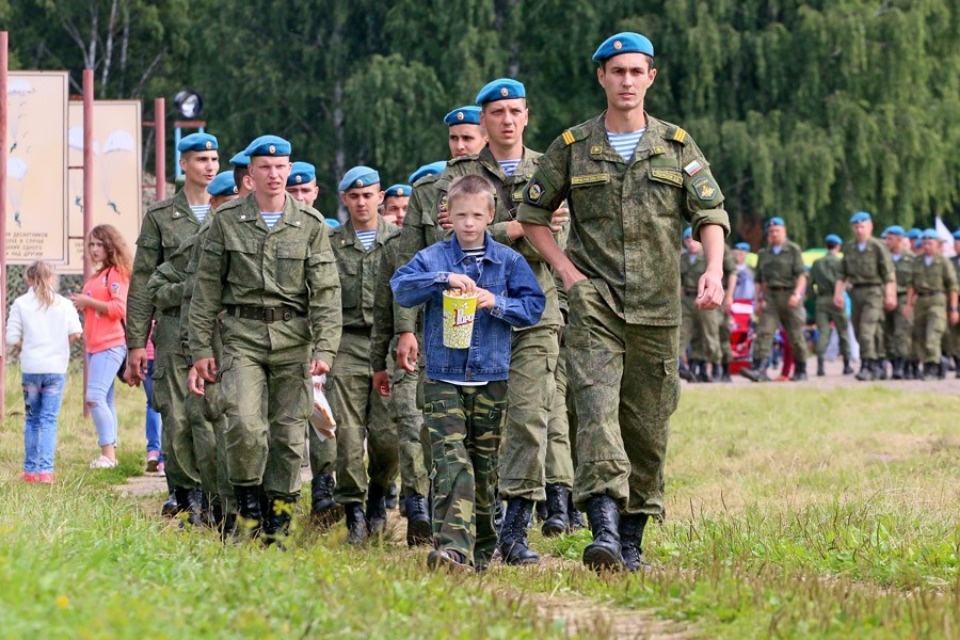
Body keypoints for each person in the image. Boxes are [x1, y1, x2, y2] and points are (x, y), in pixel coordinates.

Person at [518, 32, 729, 571]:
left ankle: (632, 537)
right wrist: (568, 274)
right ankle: (604, 529)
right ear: (602, 78)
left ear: (651, 78)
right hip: (597, 305)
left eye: (637, 72)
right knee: (594, 413)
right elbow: (534, 215)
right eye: (617, 72)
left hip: (659, 308)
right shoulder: (572, 146)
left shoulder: (677, 146)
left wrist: (713, 269)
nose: (627, 81)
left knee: (647, 426)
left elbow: (711, 215)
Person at [189, 135, 342, 545]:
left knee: (290, 435)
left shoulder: (310, 225)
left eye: (280, 168)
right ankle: (248, 514)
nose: (274, 175)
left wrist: (326, 347)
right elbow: (205, 289)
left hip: (295, 341)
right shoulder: (226, 221)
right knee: (243, 424)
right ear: (250, 175)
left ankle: (279, 521)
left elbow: (326, 290)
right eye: (265, 168)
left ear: (288, 170)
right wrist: (200, 349)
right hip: (242, 337)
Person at [391, 174, 545, 571]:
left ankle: (479, 551)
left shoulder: (509, 261)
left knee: (483, 466)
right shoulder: (434, 258)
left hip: (490, 378)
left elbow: (533, 307)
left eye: (477, 215)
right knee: (450, 459)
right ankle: (451, 548)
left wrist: (495, 301)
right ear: (449, 216)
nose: (469, 223)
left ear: (490, 215)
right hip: (443, 376)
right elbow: (401, 287)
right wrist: (442, 280)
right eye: (461, 215)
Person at [126, 132, 219, 518]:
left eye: (214, 159)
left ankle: (214, 491)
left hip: (217, 331)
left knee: (212, 414)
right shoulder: (161, 216)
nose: (209, 166)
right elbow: (143, 278)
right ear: (183, 164)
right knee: (177, 415)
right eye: (201, 159)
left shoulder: (230, 212)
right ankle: (185, 491)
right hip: (171, 329)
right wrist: (135, 342)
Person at [326, 166, 400, 544]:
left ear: (380, 197)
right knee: (348, 435)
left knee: (388, 435)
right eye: (353, 196)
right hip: (347, 343)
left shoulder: (399, 241)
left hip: (387, 345)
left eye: (367, 195)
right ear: (344, 200)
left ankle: (378, 491)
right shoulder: (331, 243)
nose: (361, 202)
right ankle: (353, 510)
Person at [6, 261, 82, 483]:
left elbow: (11, 338)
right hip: (55, 368)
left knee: (32, 419)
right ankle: (46, 471)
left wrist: (27, 346)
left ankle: (30, 471)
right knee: (49, 419)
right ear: (53, 279)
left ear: (28, 280)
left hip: (31, 368)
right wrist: (59, 345)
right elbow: (77, 333)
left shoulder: (21, 304)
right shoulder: (64, 304)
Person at [72, 224, 132, 468]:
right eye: (92, 244)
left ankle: (108, 455)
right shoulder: (98, 275)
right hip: (93, 344)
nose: (95, 249)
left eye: (100, 244)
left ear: (110, 246)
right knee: (105, 400)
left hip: (110, 344)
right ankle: (111, 452)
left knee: (94, 397)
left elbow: (120, 308)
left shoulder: (116, 274)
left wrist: (88, 301)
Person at [741, 217, 809, 382]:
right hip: (770, 297)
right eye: (771, 231)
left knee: (795, 335)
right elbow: (758, 280)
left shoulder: (793, 250)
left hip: (789, 295)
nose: (774, 234)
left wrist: (797, 294)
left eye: (777, 230)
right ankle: (760, 369)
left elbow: (801, 275)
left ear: (784, 231)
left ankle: (801, 369)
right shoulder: (764, 254)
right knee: (764, 332)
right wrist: (757, 300)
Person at [833, 211, 896, 381]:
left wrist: (890, 295)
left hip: (874, 292)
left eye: (863, 226)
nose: (860, 230)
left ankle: (867, 365)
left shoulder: (877, 247)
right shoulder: (850, 248)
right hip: (855, 293)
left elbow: (888, 274)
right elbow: (842, 274)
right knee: (862, 331)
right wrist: (838, 294)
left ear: (870, 227)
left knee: (867, 328)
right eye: (856, 227)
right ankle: (877, 361)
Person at [910, 229, 959, 379]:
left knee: (933, 334)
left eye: (930, 243)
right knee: (921, 334)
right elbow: (911, 284)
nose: (926, 246)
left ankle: (932, 366)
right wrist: (908, 304)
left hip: (937, 300)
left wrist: (953, 309)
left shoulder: (943, 262)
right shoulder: (917, 261)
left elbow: (952, 286)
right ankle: (936, 363)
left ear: (938, 245)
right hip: (920, 300)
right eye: (924, 243)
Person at [679, 227, 721, 383]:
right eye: (687, 239)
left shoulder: (709, 258)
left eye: (693, 239)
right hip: (687, 300)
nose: (691, 242)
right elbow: (679, 282)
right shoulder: (682, 259)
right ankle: (693, 368)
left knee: (709, 334)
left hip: (705, 298)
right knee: (684, 333)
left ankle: (716, 367)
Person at [809, 234, 853, 376]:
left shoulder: (816, 263)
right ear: (838, 246)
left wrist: (815, 298)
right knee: (843, 332)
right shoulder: (841, 262)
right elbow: (848, 283)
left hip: (822, 300)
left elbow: (810, 285)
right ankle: (846, 365)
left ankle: (820, 365)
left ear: (825, 245)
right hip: (838, 299)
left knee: (823, 332)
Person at [881, 226, 915, 379]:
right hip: (884, 297)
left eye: (890, 238)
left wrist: (910, 303)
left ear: (900, 239)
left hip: (903, 297)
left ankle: (902, 365)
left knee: (902, 332)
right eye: (886, 238)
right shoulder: (883, 257)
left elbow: (916, 284)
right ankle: (892, 361)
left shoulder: (911, 259)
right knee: (886, 332)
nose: (887, 241)